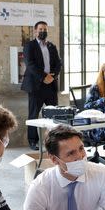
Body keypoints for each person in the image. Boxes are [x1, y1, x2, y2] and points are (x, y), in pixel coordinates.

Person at [23, 124, 105, 210]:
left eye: (81, 148)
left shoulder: (102, 174)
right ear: (54, 159)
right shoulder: (40, 185)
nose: (80, 156)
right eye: (71, 153)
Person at [21, 21, 62, 150]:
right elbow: (30, 64)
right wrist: (44, 77)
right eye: (40, 29)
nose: (43, 31)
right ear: (35, 31)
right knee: (33, 114)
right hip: (36, 85)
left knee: (54, 113)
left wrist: (52, 77)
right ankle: (33, 141)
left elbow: (58, 64)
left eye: (45, 29)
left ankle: (54, 139)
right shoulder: (29, 46)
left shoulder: (51, 46)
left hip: (50, 85)